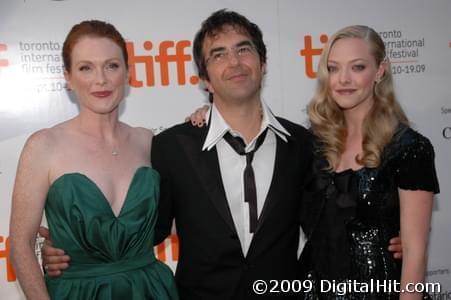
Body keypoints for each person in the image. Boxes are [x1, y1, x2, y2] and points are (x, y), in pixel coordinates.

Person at [39, 12, 403, 299]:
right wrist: (69, 247)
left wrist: (383, 237)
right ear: (205, 80)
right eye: (219, 54)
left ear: (263, 64)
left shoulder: (303, 144)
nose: (235, 62)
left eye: (244, 49)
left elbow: (326, 227)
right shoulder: (172, 147)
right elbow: (144, 231)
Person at [9, 20, 178, 300]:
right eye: (85, 68)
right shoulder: (44, 145)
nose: (100, 79)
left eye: (111, 65)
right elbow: (21, 246)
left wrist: (203, 119)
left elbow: (185, 217)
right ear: (68, 77)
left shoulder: (148, 141)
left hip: (151, 291)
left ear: (127, 73)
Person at [298, 25, 439, 299]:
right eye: (334, 68)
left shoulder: (409, 147)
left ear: (380, 71)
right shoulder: (312, 143)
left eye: (358, 67)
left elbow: (414, 254)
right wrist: (209, 113)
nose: (344, 79)